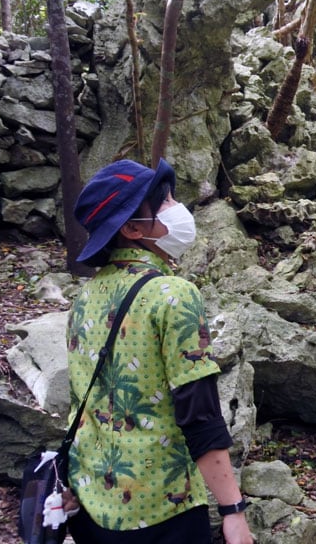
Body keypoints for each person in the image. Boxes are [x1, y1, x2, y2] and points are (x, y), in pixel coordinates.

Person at [65, 158, 253, 544]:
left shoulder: (85, 297)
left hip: (89, 501)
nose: (177, 208)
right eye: (163, 202)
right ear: (133, 229)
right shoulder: (173, 295)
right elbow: (199, 415)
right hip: (159, 511)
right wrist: (233, 511)